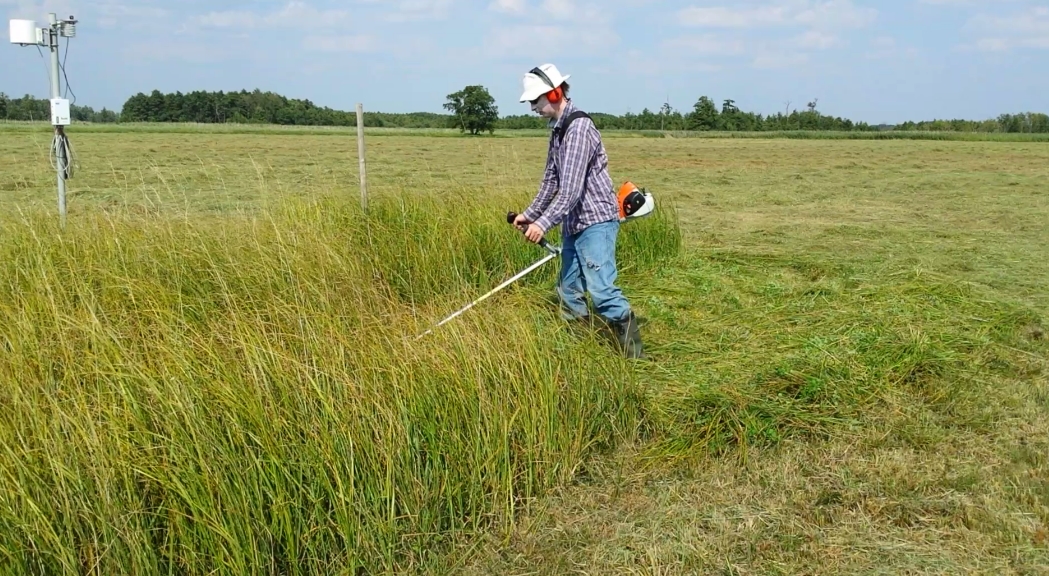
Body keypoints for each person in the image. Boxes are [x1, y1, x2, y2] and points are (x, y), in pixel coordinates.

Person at [512, 63, 644, 359]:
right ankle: (581, 351)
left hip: (596, 222)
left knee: (601, 291)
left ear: (556, 93)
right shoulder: (557, 131)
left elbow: (570, 190)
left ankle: (634, 356)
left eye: (535, 100)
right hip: (573, 223)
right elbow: (551, 181)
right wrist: (530, 214)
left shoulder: (578, 128)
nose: (532, 107)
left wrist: (543, 225)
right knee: (569, 290)